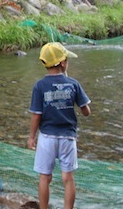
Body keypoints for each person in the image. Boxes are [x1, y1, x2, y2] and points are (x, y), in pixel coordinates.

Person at [28, 42, 91, 209]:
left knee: (44, 177)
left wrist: (31, 137)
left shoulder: (39, 86)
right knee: (67, 178)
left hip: (47, 136)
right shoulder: (73, 84)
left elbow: (36, 115)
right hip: (68, 137)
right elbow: (86, 111)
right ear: (62, 63)